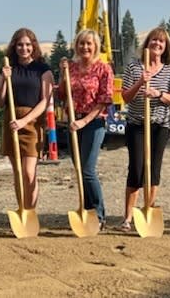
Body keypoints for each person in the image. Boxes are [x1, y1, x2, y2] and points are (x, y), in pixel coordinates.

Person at [118, 27, 170, 232]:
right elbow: (125, 97)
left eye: (161, 42)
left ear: (165, 46)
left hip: (160, 125)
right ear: (147, 43)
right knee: (136, 169)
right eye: (154, 40)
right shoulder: (134, 67)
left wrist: (158, 93)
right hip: (136, 124)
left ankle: (147, 211)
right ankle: (127, 217)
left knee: (153, 170)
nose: (157, 44)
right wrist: (140, 83)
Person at [60, 28, 113, 228]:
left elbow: (104, 100)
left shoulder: (103, 69)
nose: (85, 47)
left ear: (95, 46)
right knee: (79, 169)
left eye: (89, 43)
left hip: (94, 122)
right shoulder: (71, 67)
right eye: (82, 43)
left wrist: (84, 121)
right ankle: (86, 209)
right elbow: (63, 94)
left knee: (88, 169)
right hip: (73, 122)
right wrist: (62, 75)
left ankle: (99, 214)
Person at [0, 28, 54, 209]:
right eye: (20, 44)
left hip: (32, 123)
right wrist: (5, 80)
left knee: (29, 172)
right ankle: (21, 209)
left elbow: (45, 101)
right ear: (14, 46)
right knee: (18, 172)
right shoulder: (7, 69)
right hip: (11, 121)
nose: (24, 48)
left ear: (34, 46)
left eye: (28, 44)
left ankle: (30, 211)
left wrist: (25, 120)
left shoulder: (43, 70)